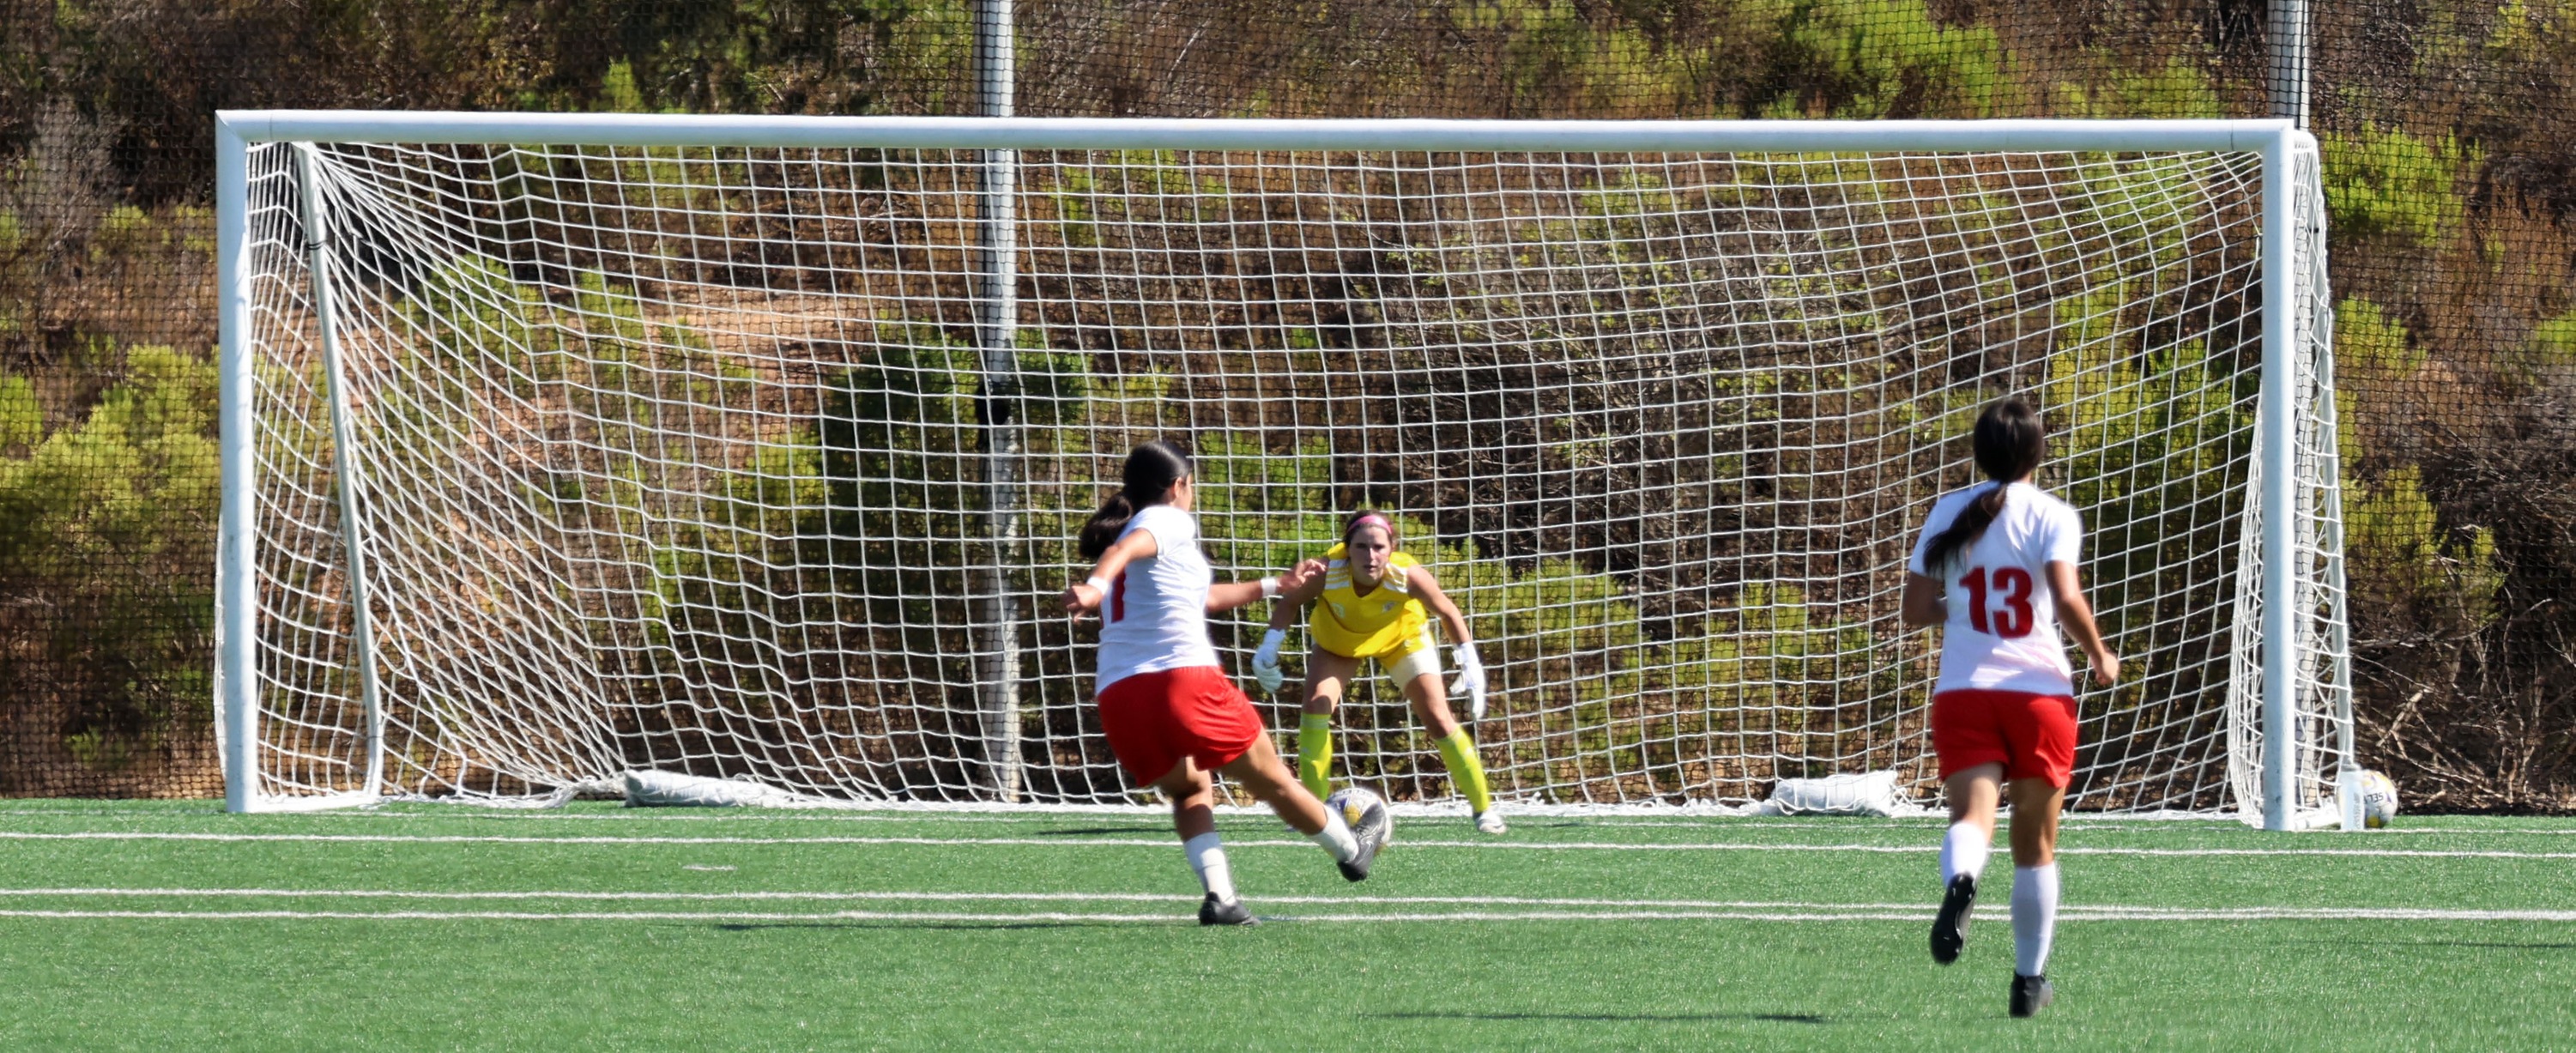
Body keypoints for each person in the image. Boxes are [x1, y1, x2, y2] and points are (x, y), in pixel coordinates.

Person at [1063, 439, 1388, 927]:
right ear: (1178, 486)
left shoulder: (1154, 539)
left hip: (1119, 695)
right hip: (1181, 681)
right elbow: (1121, 550)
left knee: (1191, 790)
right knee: (1275, 780)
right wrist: (1097, 584)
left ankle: (1222, 898)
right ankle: (1349, 847)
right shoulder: (1168, 519)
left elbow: (1201, 597)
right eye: (1191, 486)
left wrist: (1276, 586)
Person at [1899, 398, 2119, 1019]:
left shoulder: (1948, 511)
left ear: (1979, 451)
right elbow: (2067, 596)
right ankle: (2028, 983)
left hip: (1964, 692)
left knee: (1973, 818)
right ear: (2037, 453)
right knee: (2036, 844)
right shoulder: (2052, 514)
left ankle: (1961, 880)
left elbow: (1916, 609)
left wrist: (1960, 610)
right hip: (2039, 694)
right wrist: (2101, 654)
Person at [1251, 510, 1501, 833]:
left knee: (1439, 718)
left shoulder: (1407, 575)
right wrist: (1268, 648)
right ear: (1347, 548)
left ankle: (1484, 809)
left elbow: (1447, 610)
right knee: (1315, 706)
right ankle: (1311, 812)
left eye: (1379, 547)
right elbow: (1288, 602)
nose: (1371, 556)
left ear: (1392, 547)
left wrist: (1470, 664)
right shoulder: (1326, 571)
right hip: (1338, 643)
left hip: (1402, 639)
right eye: (1361, 547)